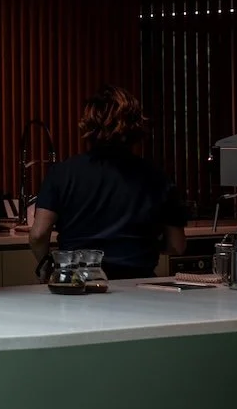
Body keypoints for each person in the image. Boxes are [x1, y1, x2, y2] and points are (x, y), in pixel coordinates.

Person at [29, 85, 187, 280]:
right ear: (135, 126)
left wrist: (46, 265)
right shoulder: (158, 177)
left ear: (88, 123)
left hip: (79, 282)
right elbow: (177, 246)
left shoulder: (62, 173)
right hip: (137, 283)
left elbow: (38, 234)